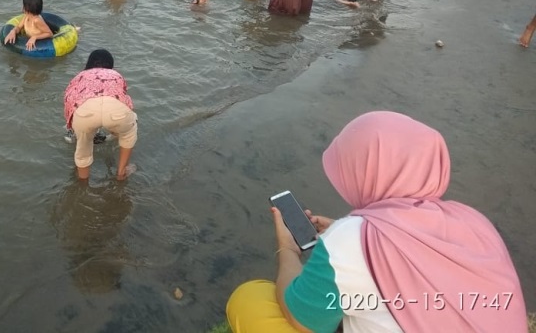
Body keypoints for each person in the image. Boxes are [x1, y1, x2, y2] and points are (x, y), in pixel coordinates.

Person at [226, 111, 527, 333]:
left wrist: (288, 248)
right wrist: (353, 236)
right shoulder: (475, 222)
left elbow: (301, 319)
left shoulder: (349, 242)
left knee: (249, 299)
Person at [63, 49, 137, 181]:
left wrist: (74, 129)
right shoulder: (115, 74)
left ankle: (82, 184)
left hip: (85, 113)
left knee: (83, 151)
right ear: (111, 65)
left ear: (89, 63)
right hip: (116, 111)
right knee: (128, 133)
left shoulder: (79, 76)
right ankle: (121, 173)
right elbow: (124, 98)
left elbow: (69, 102)